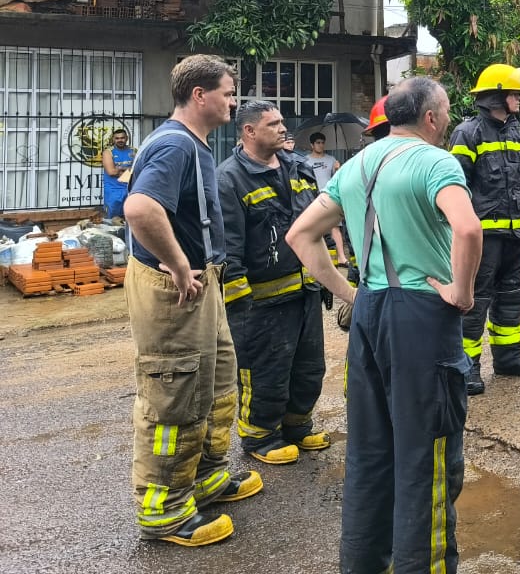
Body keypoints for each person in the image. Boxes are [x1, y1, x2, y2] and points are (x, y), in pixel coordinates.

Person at [286, 76, 482, 574]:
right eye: (447, 111)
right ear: (432, 118)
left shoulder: (355, 166)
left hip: (371, 314)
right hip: (422, 317)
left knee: (371, 455)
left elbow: (300, 235)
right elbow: (467, 227)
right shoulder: (437, 161)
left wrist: (350, 294)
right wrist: (461, 291)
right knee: (428, 455)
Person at [122, 55, 257, 548]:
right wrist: (179, 264)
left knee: (216, 384)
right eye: (227, 91)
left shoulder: (187, 143)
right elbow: (140, 208)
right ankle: (164, 510)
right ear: (199, 95)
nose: (233, 100)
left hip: (203, 286)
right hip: (177, 291)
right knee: (174, 395)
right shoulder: (177, 146)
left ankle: (206, 478)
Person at [216, 100, 330, 466]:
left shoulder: (299, 166)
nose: (284, 128)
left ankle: (298, 425)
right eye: (274, 123)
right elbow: (226, 245)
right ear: (249, 132)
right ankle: (260, 435)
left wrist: (325, 276)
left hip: (304, 292)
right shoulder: (229, 179)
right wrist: (238, 300)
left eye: (283, 122)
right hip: (261, 301)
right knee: (266, 370)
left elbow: (315, 227)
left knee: (309, 366)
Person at [449, 64, 520, 396]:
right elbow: (455, 186)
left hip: (515, 237)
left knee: (511, 297)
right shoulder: (468, 133)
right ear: (497, 96)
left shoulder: (516, 132)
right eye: (514, 93)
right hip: (484, 238)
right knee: (475, 303)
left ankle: (508, 358)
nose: (519, 99)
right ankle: (467, 368)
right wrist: (463, 232)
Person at [101, 127, 136, 220]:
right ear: (113, 139)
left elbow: (139, 169)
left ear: (127, 138)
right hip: (114, 191)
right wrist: (130, 170)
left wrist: (120, 168)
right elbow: (111, 172)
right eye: (117, 138)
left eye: (122, 138)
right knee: (113, 220)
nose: (120, 140)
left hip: (130, 189)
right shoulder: (108, 152)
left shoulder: (134, 151)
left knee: (130, 219)